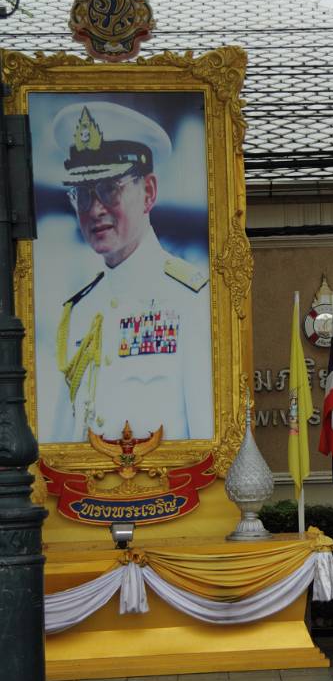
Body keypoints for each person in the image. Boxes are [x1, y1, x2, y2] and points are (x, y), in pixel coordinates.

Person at [47, 101, 213, 443]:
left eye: (109, 188)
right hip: (88, 494)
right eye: (81, 193)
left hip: (166, 493)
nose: (94, 209)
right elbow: (64, 436)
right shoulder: (78, 310)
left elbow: (206, 436)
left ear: (148, 192)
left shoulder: (192, 298)